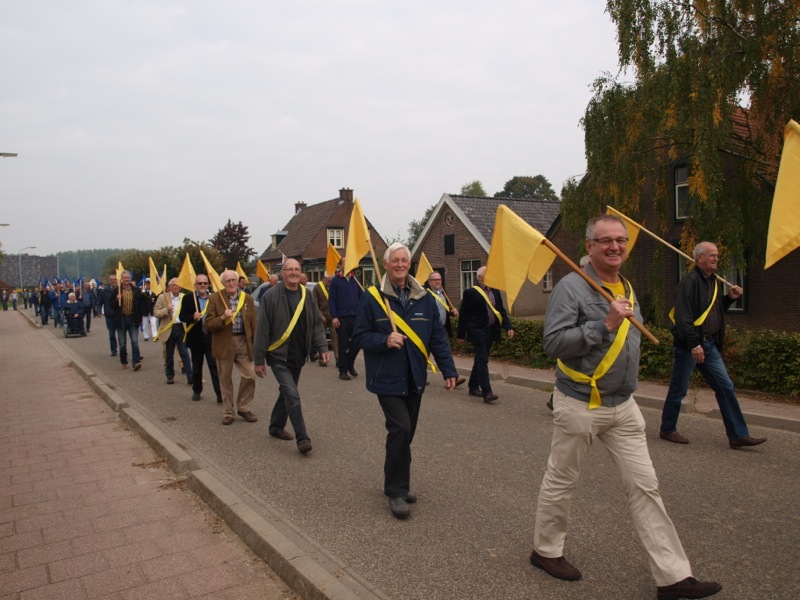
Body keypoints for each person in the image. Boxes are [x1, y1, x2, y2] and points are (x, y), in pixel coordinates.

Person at [530, 214, 721, 600]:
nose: (615, 246)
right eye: (605, 241)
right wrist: (605, 325)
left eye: (620, 240)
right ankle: (545, 550)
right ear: (589, 246)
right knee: (562, 481)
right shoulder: (571, 286)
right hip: (579, 403)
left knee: (645, 486)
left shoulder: (627, 286)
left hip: (624, 406)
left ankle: (672, 577)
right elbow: (552, 343)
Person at [353, 243, 459, 519]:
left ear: (409, 265)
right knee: (400, 428)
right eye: (395, 261)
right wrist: (384, 339)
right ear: (386, 265)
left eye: (404, 260)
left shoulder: (424, 298)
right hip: (386, 378)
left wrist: (449, 369)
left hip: (415, 375)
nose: (400, 264)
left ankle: (397, 480)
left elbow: (437, 337)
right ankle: (397, 491)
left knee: (406, 432)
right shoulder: (372, 297)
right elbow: (360, 336)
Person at [660, 242, 767, 449]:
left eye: (717, 255)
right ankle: (667, 429)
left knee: (725, 386)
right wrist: (694, 344)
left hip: (709, 345)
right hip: (689, 346)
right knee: (679, 389)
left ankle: (737, 435)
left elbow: (713, 311)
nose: (717, 259)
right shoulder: (689, 282)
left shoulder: (714, 281)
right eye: (712, 256)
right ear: (699, 258)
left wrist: (729, 299)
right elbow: (683, 318)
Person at [253, 259, 329, 454]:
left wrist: (322, 348)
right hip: (278, 356)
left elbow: (316, 324)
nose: (294, 272)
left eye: (297, 269)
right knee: (292, 394)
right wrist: (259, 360)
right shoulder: (270, 297)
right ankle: (302, 438)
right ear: (282, 273)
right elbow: (262, 329)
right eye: (289, 269)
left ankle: (276, 426)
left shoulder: (307, 295)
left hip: (298, 355)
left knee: (287, 392)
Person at [205, 269, 258, 426]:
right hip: (224, 343)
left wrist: (256, 346)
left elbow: (253, 324)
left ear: (238, 281)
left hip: (243, 341)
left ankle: (243, 407)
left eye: (233, 280)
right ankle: (228, 411)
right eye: (227, 281)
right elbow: (207, 325)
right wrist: (222, 318)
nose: (231, 283)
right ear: (222, 283)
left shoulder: (247, 298)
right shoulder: (215, 298)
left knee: (250, 375)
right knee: (225, 379)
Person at [456, 266, 514, 403]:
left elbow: (500, 310)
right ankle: (487, 392)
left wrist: (508, 327)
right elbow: (463, 314)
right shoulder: (471, 292)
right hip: (476, 331)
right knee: (483, 360)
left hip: (490, 330)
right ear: (480, 277)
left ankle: (473, 386)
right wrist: (460, 334)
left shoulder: (495, 291)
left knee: (481, 359)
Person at [180, 274, 223, 403]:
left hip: (211, 337)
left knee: (214, 367)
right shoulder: (188, 298)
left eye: (205, 283)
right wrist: (192, 317)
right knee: (197, 366)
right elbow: (182, 316)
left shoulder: (214, 298)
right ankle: (196, 390)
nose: (203, 285)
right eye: (200, 283)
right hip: (196, 338)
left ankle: (220, 394)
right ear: (195, 285)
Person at [329, 256, 363, 381]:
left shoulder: (355, 279)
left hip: (356, 317)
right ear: (340, 266)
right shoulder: (336, 281)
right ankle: (343, 371)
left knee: (358, 341)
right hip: (342, 318)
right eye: (345, 263)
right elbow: (332, 300)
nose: (347, 265)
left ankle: (350, 363)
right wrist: (334, 316)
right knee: (343, 344)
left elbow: (361, 297)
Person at [153, 278, 193, 384]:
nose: (175, 287)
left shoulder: (184, 297)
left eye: (177, 285)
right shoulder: (162, 297)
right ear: (169, 287)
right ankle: (169, 375)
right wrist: (166, 310)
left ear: (180, 286)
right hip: (168, 329)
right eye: (173, 285)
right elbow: (156, 313)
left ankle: (190, 375)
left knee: (184, 352)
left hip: (181, 328)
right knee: (169, 354)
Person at [110, 270, 147, 371]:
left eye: (128, 277)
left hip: (133, 319)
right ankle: (124, 361)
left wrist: (140, 317)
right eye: (125, 278)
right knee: (122, 343)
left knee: (135, 341)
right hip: (121, 320)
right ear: (121, 279)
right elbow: (111, 305)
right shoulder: (116, 291)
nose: (126, 279)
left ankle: (136, 362)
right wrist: (116, 299)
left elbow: (142, 303)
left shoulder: (135, 290)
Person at [312, 272, 338, 367]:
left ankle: (337, 358)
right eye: (329, 280)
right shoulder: (317, 287)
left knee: (335, 336)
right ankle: (322, 359)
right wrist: (319, 314)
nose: (330, 282)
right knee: (322, 337)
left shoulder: (333, 287)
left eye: (331, 280)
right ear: (324, 278)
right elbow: (314, 303)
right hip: (322, 316)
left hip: (332, 315)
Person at [99, 274, 119, 356]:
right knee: (111, 334)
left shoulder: (120, 289)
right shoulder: (105, 291)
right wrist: (98, 310)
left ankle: (122, 349)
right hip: (109, 315)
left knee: (121, 334)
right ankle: (113, 350)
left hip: (119, 315)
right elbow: (100, 301)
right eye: (111, 279)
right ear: (109, 280)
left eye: (114, 279)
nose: (113, 281)